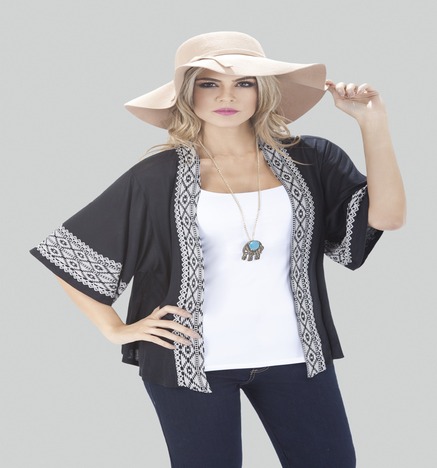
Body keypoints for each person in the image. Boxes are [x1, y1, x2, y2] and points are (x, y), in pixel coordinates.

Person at [30, 31, 406, 468]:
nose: (227, 96)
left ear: (262, 91)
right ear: (187, 94)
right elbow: (70, 254)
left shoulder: (311, 159)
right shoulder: (156, 177)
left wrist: (372, 123)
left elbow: (388, 217)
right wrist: (115, 329)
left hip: (296, 356)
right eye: (209, 84)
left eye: (244, 83)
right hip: (191, 363)